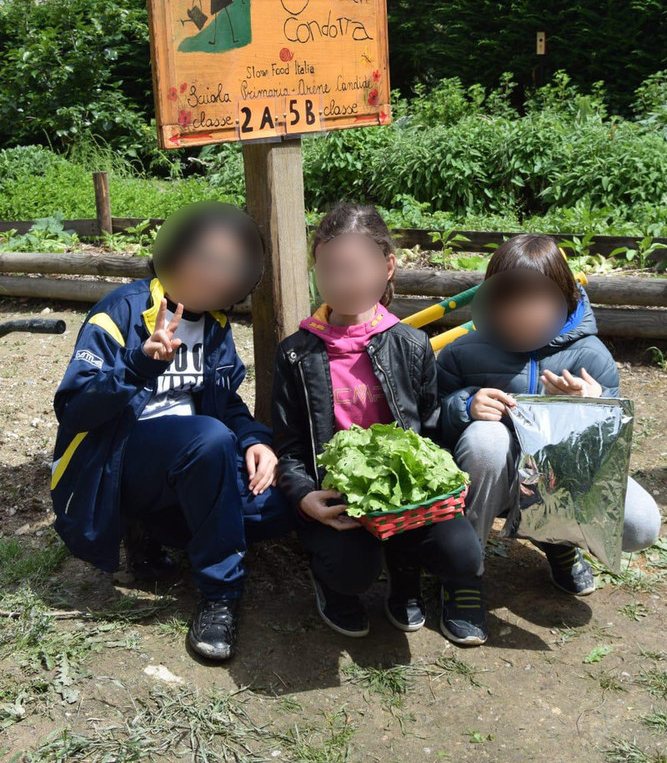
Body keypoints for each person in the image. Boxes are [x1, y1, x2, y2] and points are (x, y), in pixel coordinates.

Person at [52, 202, 293, 662]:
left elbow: (227, 404)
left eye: (230, 266)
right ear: (174, 251)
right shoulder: (120, 311)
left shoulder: (216, 327)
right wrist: (140, 362)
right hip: (116, 464)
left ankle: (153, 531)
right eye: (205, 258)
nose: (214, 274)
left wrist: (255, 441)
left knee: (276, 507)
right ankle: (221, 594)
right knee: (206, 439)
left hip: (195, 460)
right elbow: (75, 410)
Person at [273, 203, 486, 646]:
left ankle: (405, 577)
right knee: (352, 570)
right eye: (328, 270)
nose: (341, 283)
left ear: (387, 266)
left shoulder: (410, 344)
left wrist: (443, 475)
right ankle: (335, 584)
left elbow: (426, 429)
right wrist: (303, 496)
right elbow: (290, 444)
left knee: (463, 553)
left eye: (353, 269)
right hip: (333, 495)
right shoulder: (296, 352)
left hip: (400, 497)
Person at [437, 234, 661, 597]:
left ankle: (558, 540)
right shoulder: (462, 352)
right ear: (492, 300)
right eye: (512, 300)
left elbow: (609, 457)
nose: (524, 313)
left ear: (564, 297)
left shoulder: (592, 356)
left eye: (538, 300)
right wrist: (464, 405)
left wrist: (594, 407)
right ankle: (464, 574)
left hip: (560, 482)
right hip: (493, 478)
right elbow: (431, 419)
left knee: (641, 524)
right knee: (485, 440)